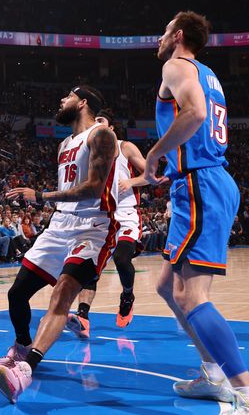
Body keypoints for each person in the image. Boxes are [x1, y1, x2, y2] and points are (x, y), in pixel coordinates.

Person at [144, 12, 249, 413]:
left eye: (165, 30)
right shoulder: (208, 73)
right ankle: (212, 374)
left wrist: (155, 153)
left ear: (178, 35)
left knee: (193, 297)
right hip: (208, 180)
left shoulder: (175, 64)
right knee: (168, 286)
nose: (161, 36)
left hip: (201, 184)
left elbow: (196, 114)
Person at [0, 85, 116, 404]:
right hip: (61, 224)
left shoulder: (102, 135)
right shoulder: (63, 144)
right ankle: (21, 345)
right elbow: (70, 189)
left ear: (83, 102)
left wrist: (42, 196)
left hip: (93, 226)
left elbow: (93, 188)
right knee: (17, 293)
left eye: (68, 96)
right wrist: (43, 201)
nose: (62, 100)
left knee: (62, 293)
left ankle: (26, 370)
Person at [66, 111, 149, 337]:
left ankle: (127, 295)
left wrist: (131, 181)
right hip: (100, 216)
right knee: (88, 268)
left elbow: (151, 174)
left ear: (111, 128)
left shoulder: (125, 147)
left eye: (101, 122)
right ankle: (82, 317)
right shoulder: (89, 154)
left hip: (125, 214)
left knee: (122, 258)